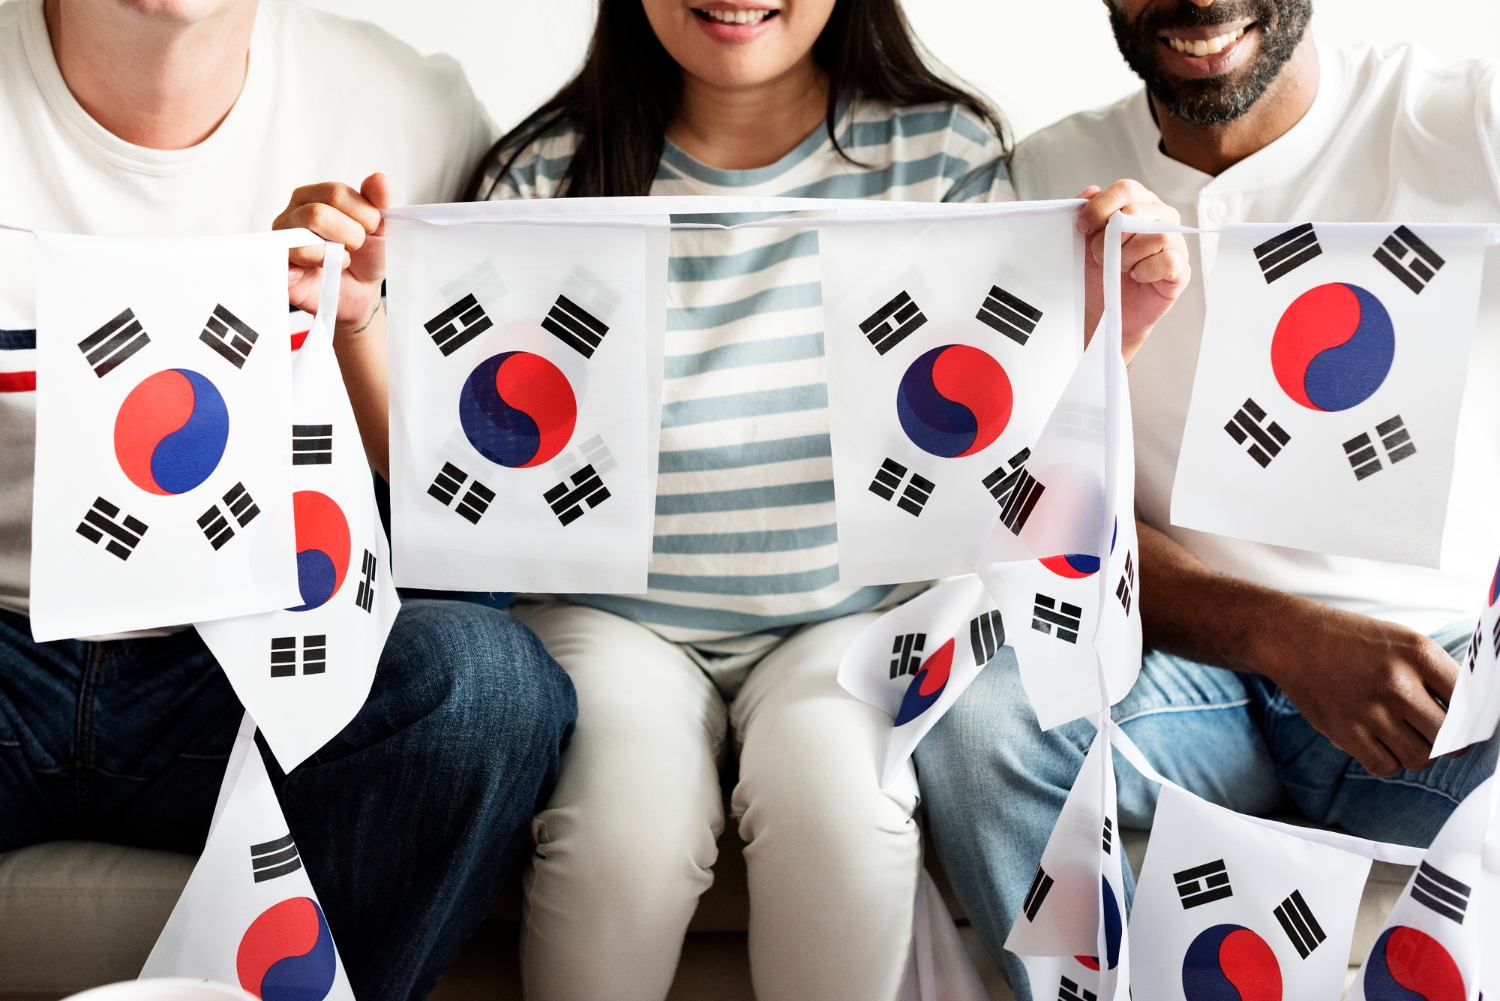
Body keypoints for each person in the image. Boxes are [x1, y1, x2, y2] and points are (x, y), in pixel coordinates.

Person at [284, 1, 1189, 997]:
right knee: (620, 841)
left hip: (851, 617)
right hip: (613, 620)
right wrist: (354, 321)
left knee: (844, 814)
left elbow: (1010, 439)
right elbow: (445, 467)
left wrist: (1119, 330)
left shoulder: (943, 153)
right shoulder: (544, 172)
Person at [914, 1, 1500, 997]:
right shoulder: (1047, 182)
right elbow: (1010, 505)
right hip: (1185, 681)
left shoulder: (1464, 123)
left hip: (1440, 684)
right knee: (978, 720)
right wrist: (1286, 635)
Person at [0, 1, 576, 999]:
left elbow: (482, 510)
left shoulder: (411, 112)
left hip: (250, 662)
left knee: (482, 690)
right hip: (11, 648)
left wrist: (352, 324)